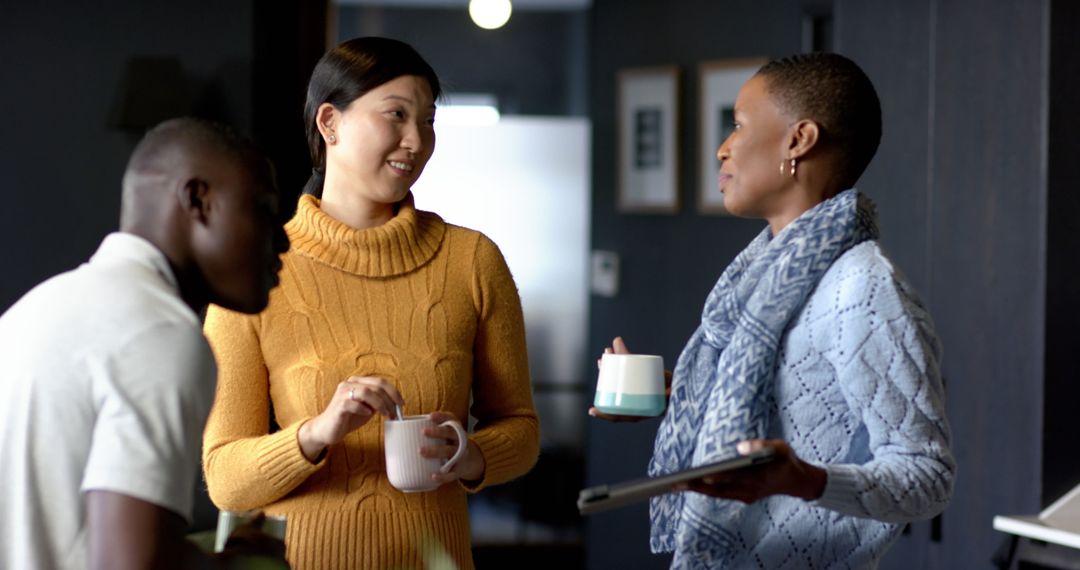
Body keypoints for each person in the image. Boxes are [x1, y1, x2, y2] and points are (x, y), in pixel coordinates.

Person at [591, 52, 955, 569]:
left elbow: (927, 477)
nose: (722, 148)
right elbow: (789, 405)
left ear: (798, 140)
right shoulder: (763, 274)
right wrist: (688, 396)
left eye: (737, 126)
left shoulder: (863, 286)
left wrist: (802, 480)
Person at [201, 36, 540, 570]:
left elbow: (520, 429)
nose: (416, 140)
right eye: (396, 116)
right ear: (330, 123)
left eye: (428, 121)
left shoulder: (472, 260)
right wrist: (317, 433)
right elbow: (225, 479)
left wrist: (469, 456)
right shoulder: (255, 273)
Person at [0, 117, 290, 570]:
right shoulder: (161, 334)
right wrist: (242, 565)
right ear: (198, 200)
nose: (284, 239)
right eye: (264, 209)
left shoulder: (34, 310)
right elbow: (131, 564)